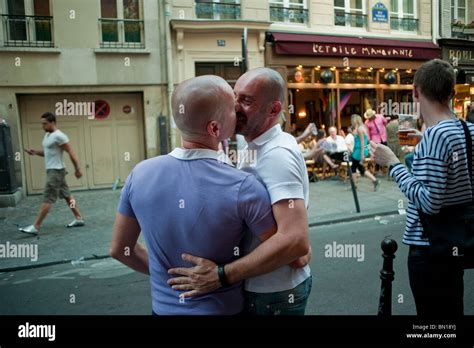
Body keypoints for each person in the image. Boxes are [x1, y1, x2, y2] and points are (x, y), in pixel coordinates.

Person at [167, 68, 312, 315]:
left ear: (274, 110)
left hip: (272, 293)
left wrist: (221, 276)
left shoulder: (276, 156)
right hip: (264, 286)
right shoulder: (252, 143)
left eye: (246, 101)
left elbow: (296, 242)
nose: (234, 107)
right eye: (235, 96)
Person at [370, 59, 474, 316]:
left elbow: (429, 202)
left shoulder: (436, 135)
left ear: (416, 91)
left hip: (430, 248)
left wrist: (393, 163)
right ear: (451, 93)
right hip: (456, 240)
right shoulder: (467, 129)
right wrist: (424, 148)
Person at [19, 112, 84, 235]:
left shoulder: (60, 136)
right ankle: (79, 218)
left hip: (56, 171)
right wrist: (35, 152)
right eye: (42, 123)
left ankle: (35, 226)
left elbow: (71, 152)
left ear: (53, 122)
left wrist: (77, 169)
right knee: (67, 195)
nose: (42, 126)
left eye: (45, 123)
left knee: (48, 197)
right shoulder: (48, 136)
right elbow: (47, 152)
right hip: (54, 170)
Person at [351, 114, 379, 191]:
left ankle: (354, 185)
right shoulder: (362, 128)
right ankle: (374, 180)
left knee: (353, 167)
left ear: (355, 120)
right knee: (360, 168)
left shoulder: (360, 129)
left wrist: (362, 154)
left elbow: (363, 142)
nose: (351, 122)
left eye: (352, 121)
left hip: (359, 150)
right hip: (359, 150)